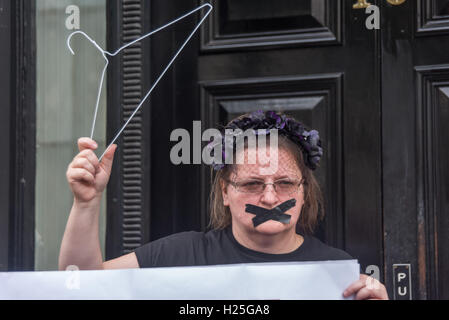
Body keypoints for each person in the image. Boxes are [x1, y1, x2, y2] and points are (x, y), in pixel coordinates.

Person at [60, 110, 388, 300]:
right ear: (225, 192)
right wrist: (86, 203)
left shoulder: (337, 274)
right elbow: (80, 285)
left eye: (285, 183)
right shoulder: (178, 256)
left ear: (304, 191)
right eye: (251, 184)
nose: (271, 199)